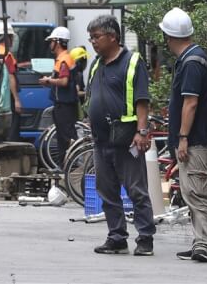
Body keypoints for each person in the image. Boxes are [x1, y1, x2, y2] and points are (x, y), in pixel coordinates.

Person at [86, 15, 156, 256]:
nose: (93, 42)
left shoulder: (133, 62)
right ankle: (116, 236)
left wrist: (142, 132)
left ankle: (145, 238)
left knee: (137, 189)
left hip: (127, 139)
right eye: (91, 37)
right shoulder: (97, 64)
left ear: (113, 37)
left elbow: (142, 101)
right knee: (107, 190)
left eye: (97, 37)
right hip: (101, 140)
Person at [161, 7, 207, 263]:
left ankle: (206, 244)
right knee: (194, 192)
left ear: (168, 36)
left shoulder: (192, 63)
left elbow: (190, 103)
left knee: (196, 192)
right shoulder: (193, 59)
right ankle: (202, 242)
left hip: (194, 141)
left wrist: (183, 137)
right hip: (195, 140)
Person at [39, 26, 78, 169]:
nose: (50, 44)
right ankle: (63, 167)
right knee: (62, 137)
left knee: (66, 137)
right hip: (62, 103)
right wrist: (49, 81)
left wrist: (48, 81)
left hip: (65, 105)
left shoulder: (64, 60)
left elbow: (64, 81)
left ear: (57, 42)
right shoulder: (63, 59)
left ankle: (70, 168)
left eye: (51, 41)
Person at [0, 22, 22, 142]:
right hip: (8, 97)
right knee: (13, 125)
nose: (12, 40)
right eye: (11, 37)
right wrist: (16, 99)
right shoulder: (8, 55)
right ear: (7, 37)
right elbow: (11, 77)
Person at [70, 46, 89, 114]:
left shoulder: (72, 71)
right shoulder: (78, 74)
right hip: (76, 108)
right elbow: (76, 93)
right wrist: (87, 93)